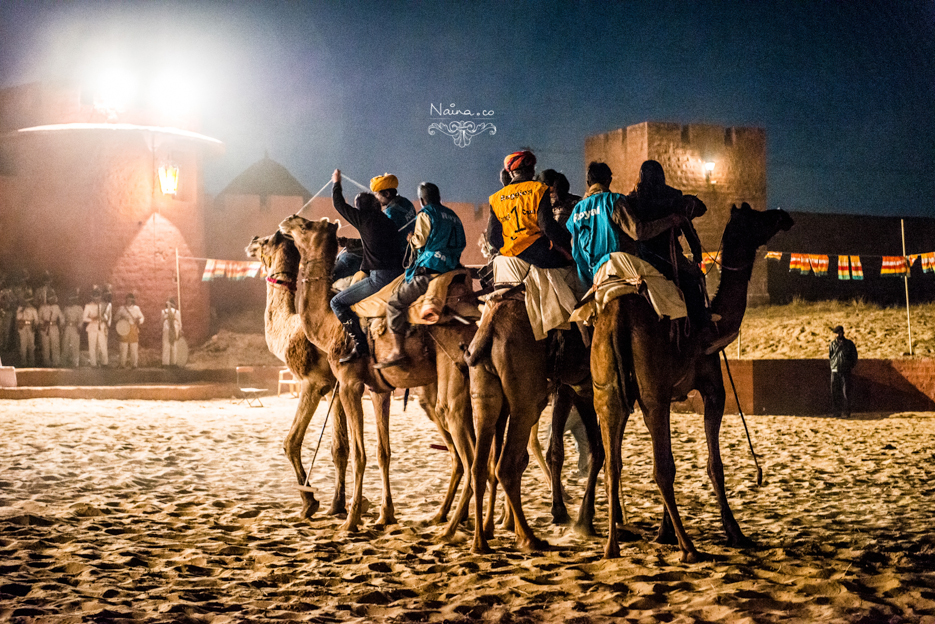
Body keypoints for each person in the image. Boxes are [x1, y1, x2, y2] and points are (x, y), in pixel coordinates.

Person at [377, 182, 466, 368]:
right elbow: (462, 242)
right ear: (438, 196)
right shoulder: (454, 216)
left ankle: (398, 351)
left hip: (430, 269)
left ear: (422, 200)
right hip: (453, 267)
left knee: (394, 303)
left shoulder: (426, 213)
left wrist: (411, 239)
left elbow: (420, 241)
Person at [567, 161, 687, 287]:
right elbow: (638, 232)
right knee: (664, 288)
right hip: (617, 268)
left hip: (588, 277)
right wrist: (670, 221)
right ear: (609, 180)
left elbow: (574, 245)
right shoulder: (613, 201)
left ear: (588, 183)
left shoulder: (577, 209)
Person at [329, 169, 405, 362]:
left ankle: (360, 345)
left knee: (336, 302)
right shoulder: (388, 220)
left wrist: (336, 182)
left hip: (380, 277)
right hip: (399, 272)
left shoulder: (364, 219)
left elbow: (338, 204)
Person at [625, 160, 709, 330]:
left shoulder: (631, 199)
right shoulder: (673, 196)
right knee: (693, 279)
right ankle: (700, 328)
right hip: (666, 255)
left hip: (638, 256)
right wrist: (697, 256)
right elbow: (688, 229)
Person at [486, 151, 572, 270]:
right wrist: (566, 240)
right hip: (539, 254)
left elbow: (492, 236)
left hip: (509, 254)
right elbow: (547, 226)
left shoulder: (495, 198)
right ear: (532, 170)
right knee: (571, 267)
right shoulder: (539, 189)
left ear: (511, 173)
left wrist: (507, 249)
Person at [371, 173, 417, 255]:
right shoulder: (406, 201)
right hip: (414, 249)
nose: (376, 199)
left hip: (402, 255)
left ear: (387, 194)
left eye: (376, 194)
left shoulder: (390, 213)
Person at [829, 325, 858, 418]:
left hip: (845, 371)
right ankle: (836, 412)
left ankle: (846, 411)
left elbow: (854, 356)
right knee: (835, 392)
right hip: (835, 370)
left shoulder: (849, 344)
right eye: (836, 333)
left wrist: (849, 366)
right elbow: (831, 356)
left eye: (839, 333)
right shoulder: (832, 344)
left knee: (846, 392)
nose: (838, 335)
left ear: (842, 333)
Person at [83, 286, 110, 367]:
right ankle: (93, 363)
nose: (97, 300)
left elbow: (106, 316)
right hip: (92, 327)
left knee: (103, 346)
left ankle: (105, 363)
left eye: (98, 298)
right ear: (92, 298)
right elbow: (84, 318)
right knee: (92, 346)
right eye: (95, 298)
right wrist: (92, 319)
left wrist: (103, 318)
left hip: (101, 326)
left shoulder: (103, 305)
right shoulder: (88, 306)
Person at [115, 293, 145, 368]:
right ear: (126, 300)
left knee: (134, 347)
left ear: (132, 301)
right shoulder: (121, 308)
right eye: (127, 299)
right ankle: (122, 364)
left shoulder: (136, 308)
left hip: (133, 328)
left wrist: (139, 321)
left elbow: (142, 318)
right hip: (124, 328)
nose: (129, 301)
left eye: (130, 300)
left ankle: (134, 364)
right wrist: (121, 318)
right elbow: (115, 318)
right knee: (123, 347)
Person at [37, 291, 63, 367]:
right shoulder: (42, 307)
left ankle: (56, 361)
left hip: (54, 327)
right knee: (45, 345)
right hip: (45, 328)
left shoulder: (56, 307)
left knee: (55, 345)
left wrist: (61, 325)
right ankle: (46, 361)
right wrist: (43, 323)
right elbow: (38, 318)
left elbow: (61, 317)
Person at [15, 289, 39, 366]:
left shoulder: (33, 309)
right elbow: (18, 318)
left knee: (31, 345)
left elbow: (36, 320)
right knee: (23, 345)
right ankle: (23, 362)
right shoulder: (20, 309)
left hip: (30, 328)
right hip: (23, 328)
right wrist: (22, 311)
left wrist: (34, 327)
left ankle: (32, 362)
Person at [61, 292, 83, 368]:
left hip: (75, 327)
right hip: (67, 328)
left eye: (72, 300)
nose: (70, 301)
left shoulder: (79, 308)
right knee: (65, 344)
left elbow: (81, 319)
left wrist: (80, 327)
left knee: (75, 345)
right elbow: (63, 318)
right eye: (69, 300)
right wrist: (62, 326)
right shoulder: (66, 308)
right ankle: (63, 361)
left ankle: (75, 362)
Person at [162, 298, 182, 367]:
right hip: (175, 329)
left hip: (166, 329)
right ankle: (174, 362)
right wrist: (180, 330)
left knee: (166, 345)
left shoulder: (163, 311)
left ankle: (165, 363)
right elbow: (180, 323)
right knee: (174, 345)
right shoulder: (177, 312)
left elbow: (161, 322)